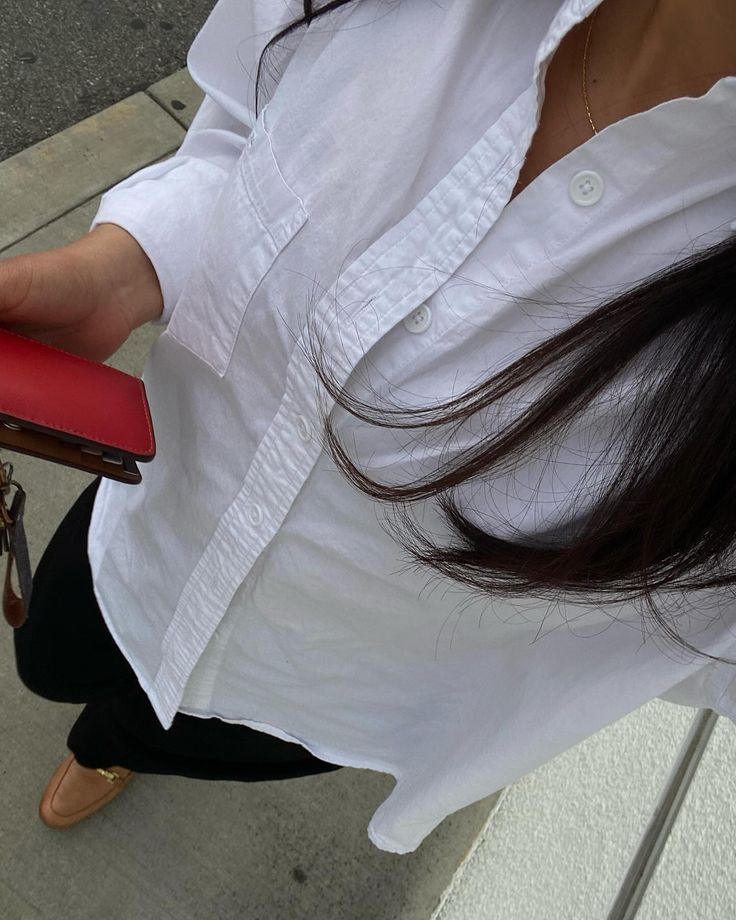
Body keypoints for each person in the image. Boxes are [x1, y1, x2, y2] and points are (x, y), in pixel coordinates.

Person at [3, 0, 736, 854]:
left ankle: (112, 752)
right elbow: (251, 114)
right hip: (143, 524)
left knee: (148, 737)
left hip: (316, 700)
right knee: (47, 658)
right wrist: (127, 266)